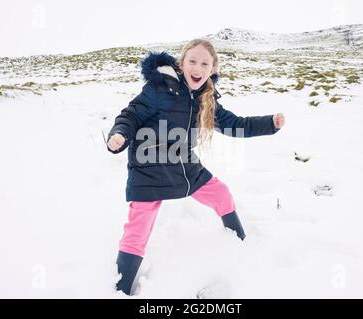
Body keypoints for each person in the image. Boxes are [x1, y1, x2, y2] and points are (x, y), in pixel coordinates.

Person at [107, 39, 285, 295]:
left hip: (183, 164)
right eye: (192, 61)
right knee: (139, 228)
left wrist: (269, 124)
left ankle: (240, 242)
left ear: (212, 69)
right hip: (149, 165)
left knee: (221, 194)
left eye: (204, 63)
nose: (197, 68)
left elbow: (235, 124)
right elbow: (131, 115)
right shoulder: (159, 88)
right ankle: (121, 289)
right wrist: (120, 134)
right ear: (182, 63)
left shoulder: (205, 99)